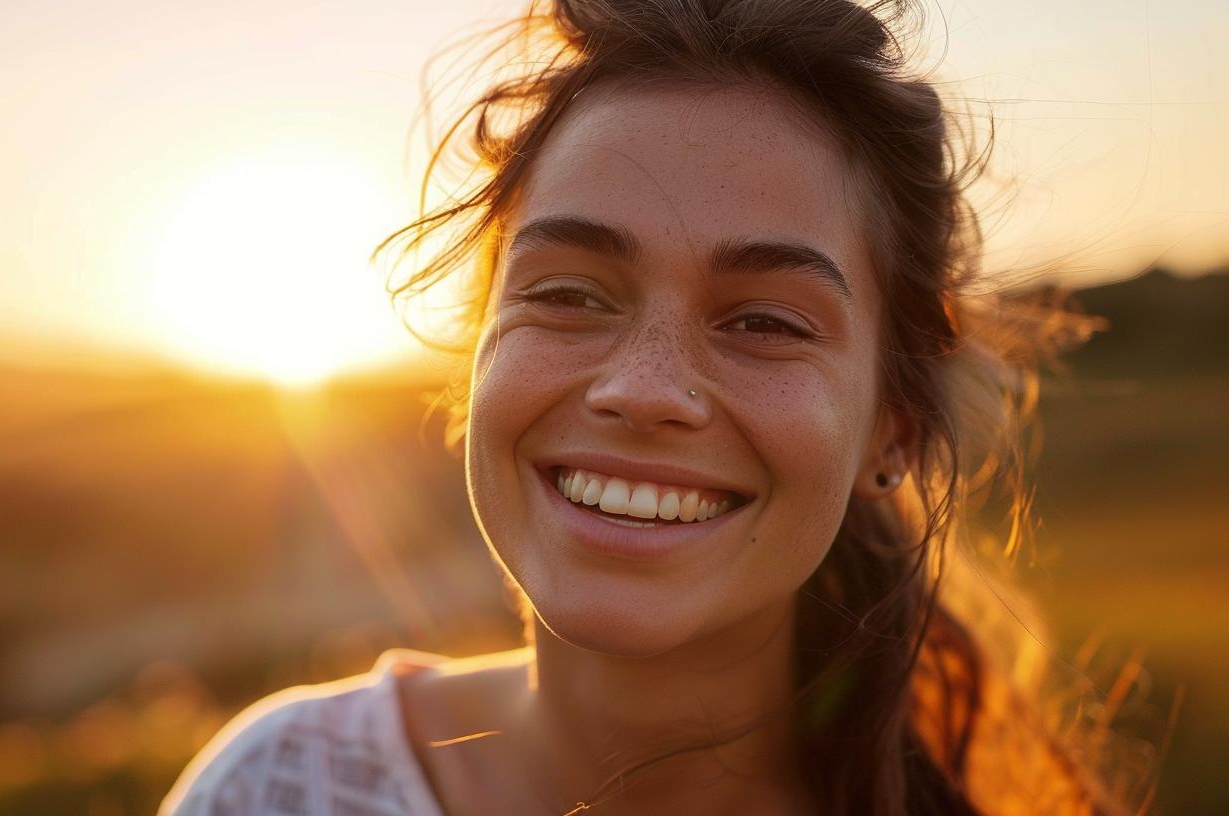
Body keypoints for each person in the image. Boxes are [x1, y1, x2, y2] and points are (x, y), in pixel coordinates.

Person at [161, 1, 1157, 813]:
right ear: (479, 352)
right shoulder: (279, 789)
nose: (641, 389)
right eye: (568, 295)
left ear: (889, 425)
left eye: (763, 320)